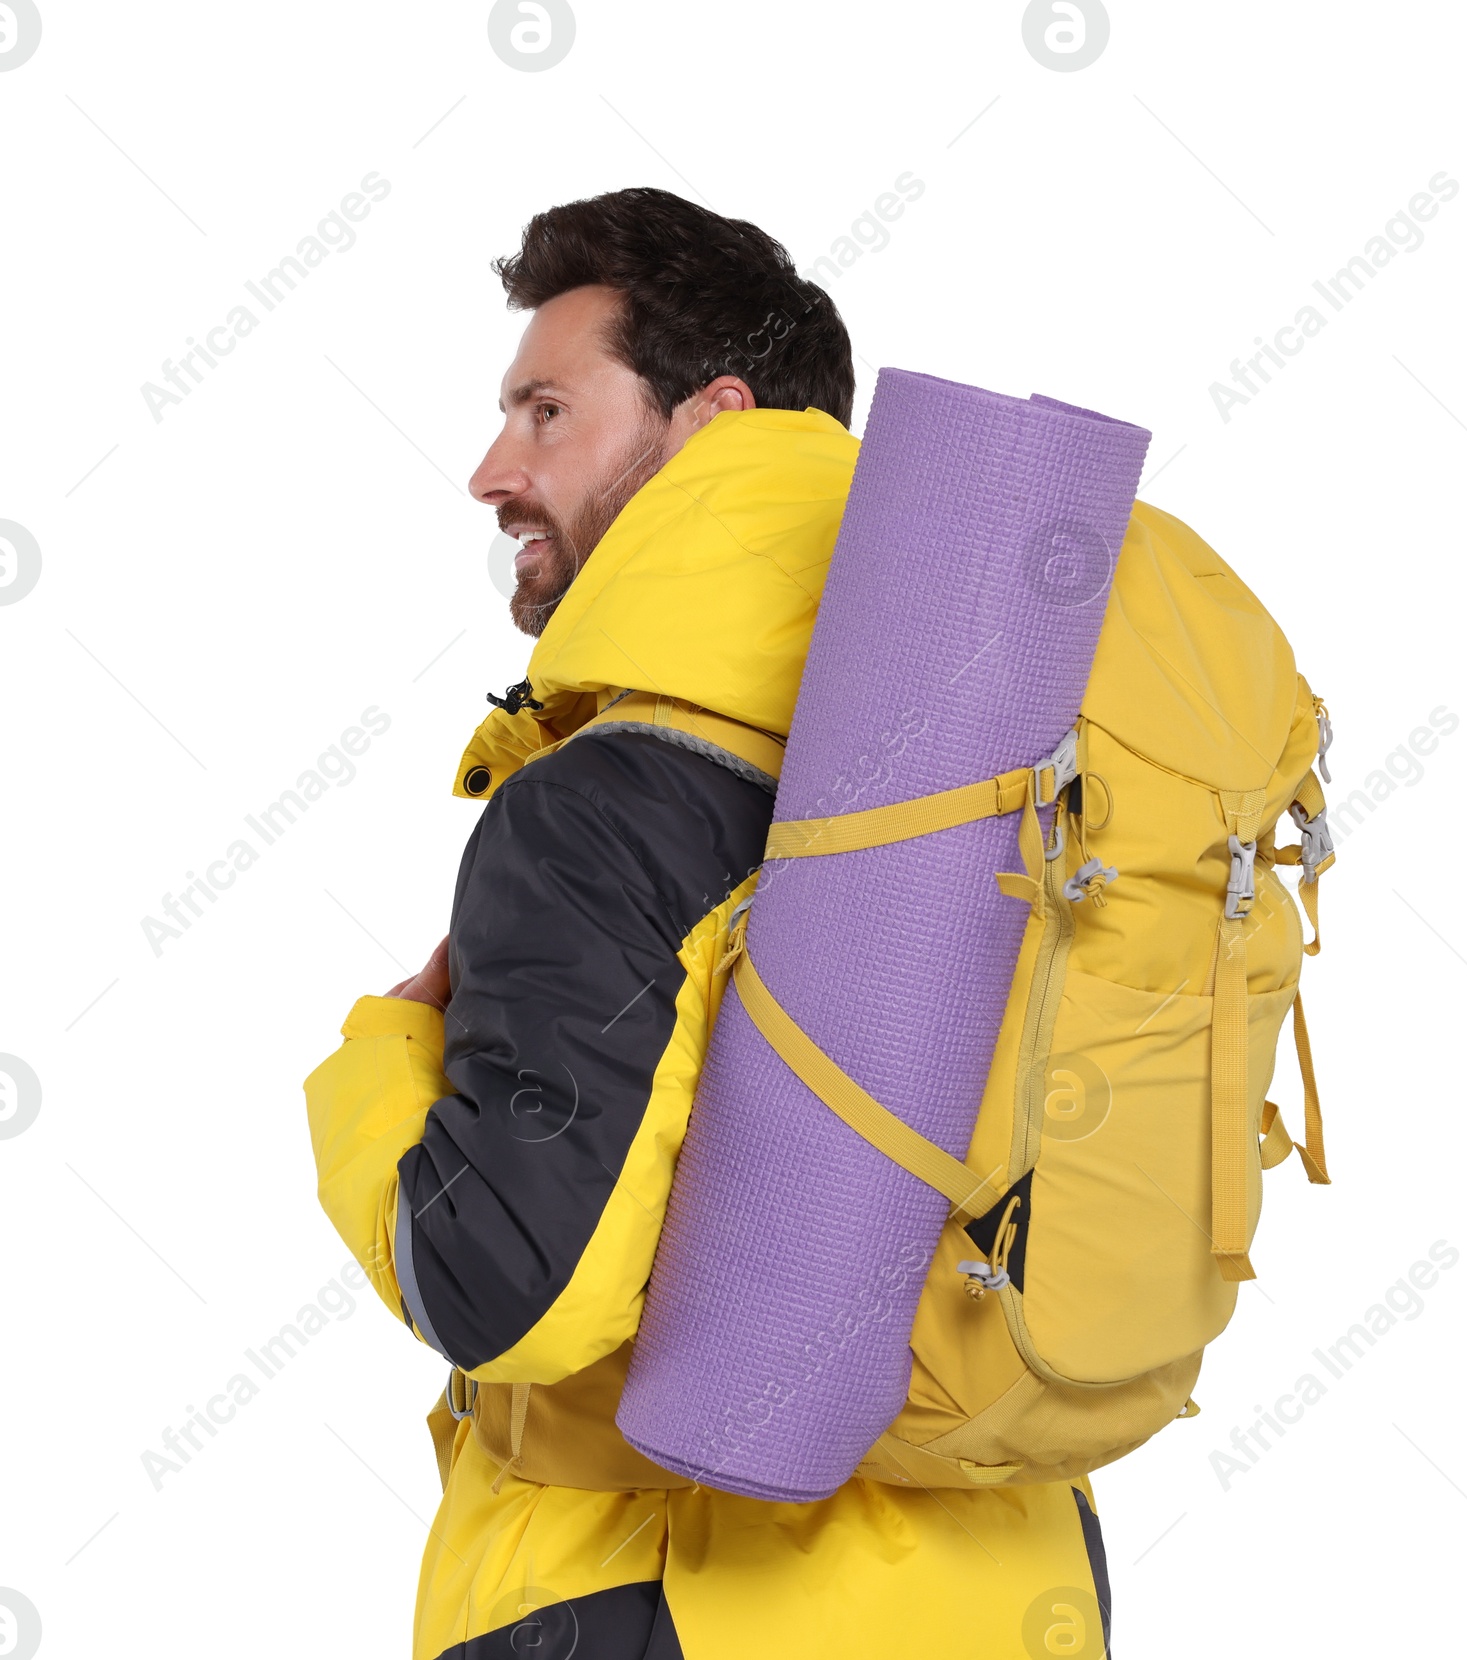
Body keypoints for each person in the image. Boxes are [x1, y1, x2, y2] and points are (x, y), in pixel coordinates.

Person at [304, 187, 1113, 1660]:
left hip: (660, 1597)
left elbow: (514, 1300)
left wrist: (377, 1059)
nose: (493, 470)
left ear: (710, 421)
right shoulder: (1014, 763)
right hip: (1016, 1590)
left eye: (546, 410)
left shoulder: (599, 811)